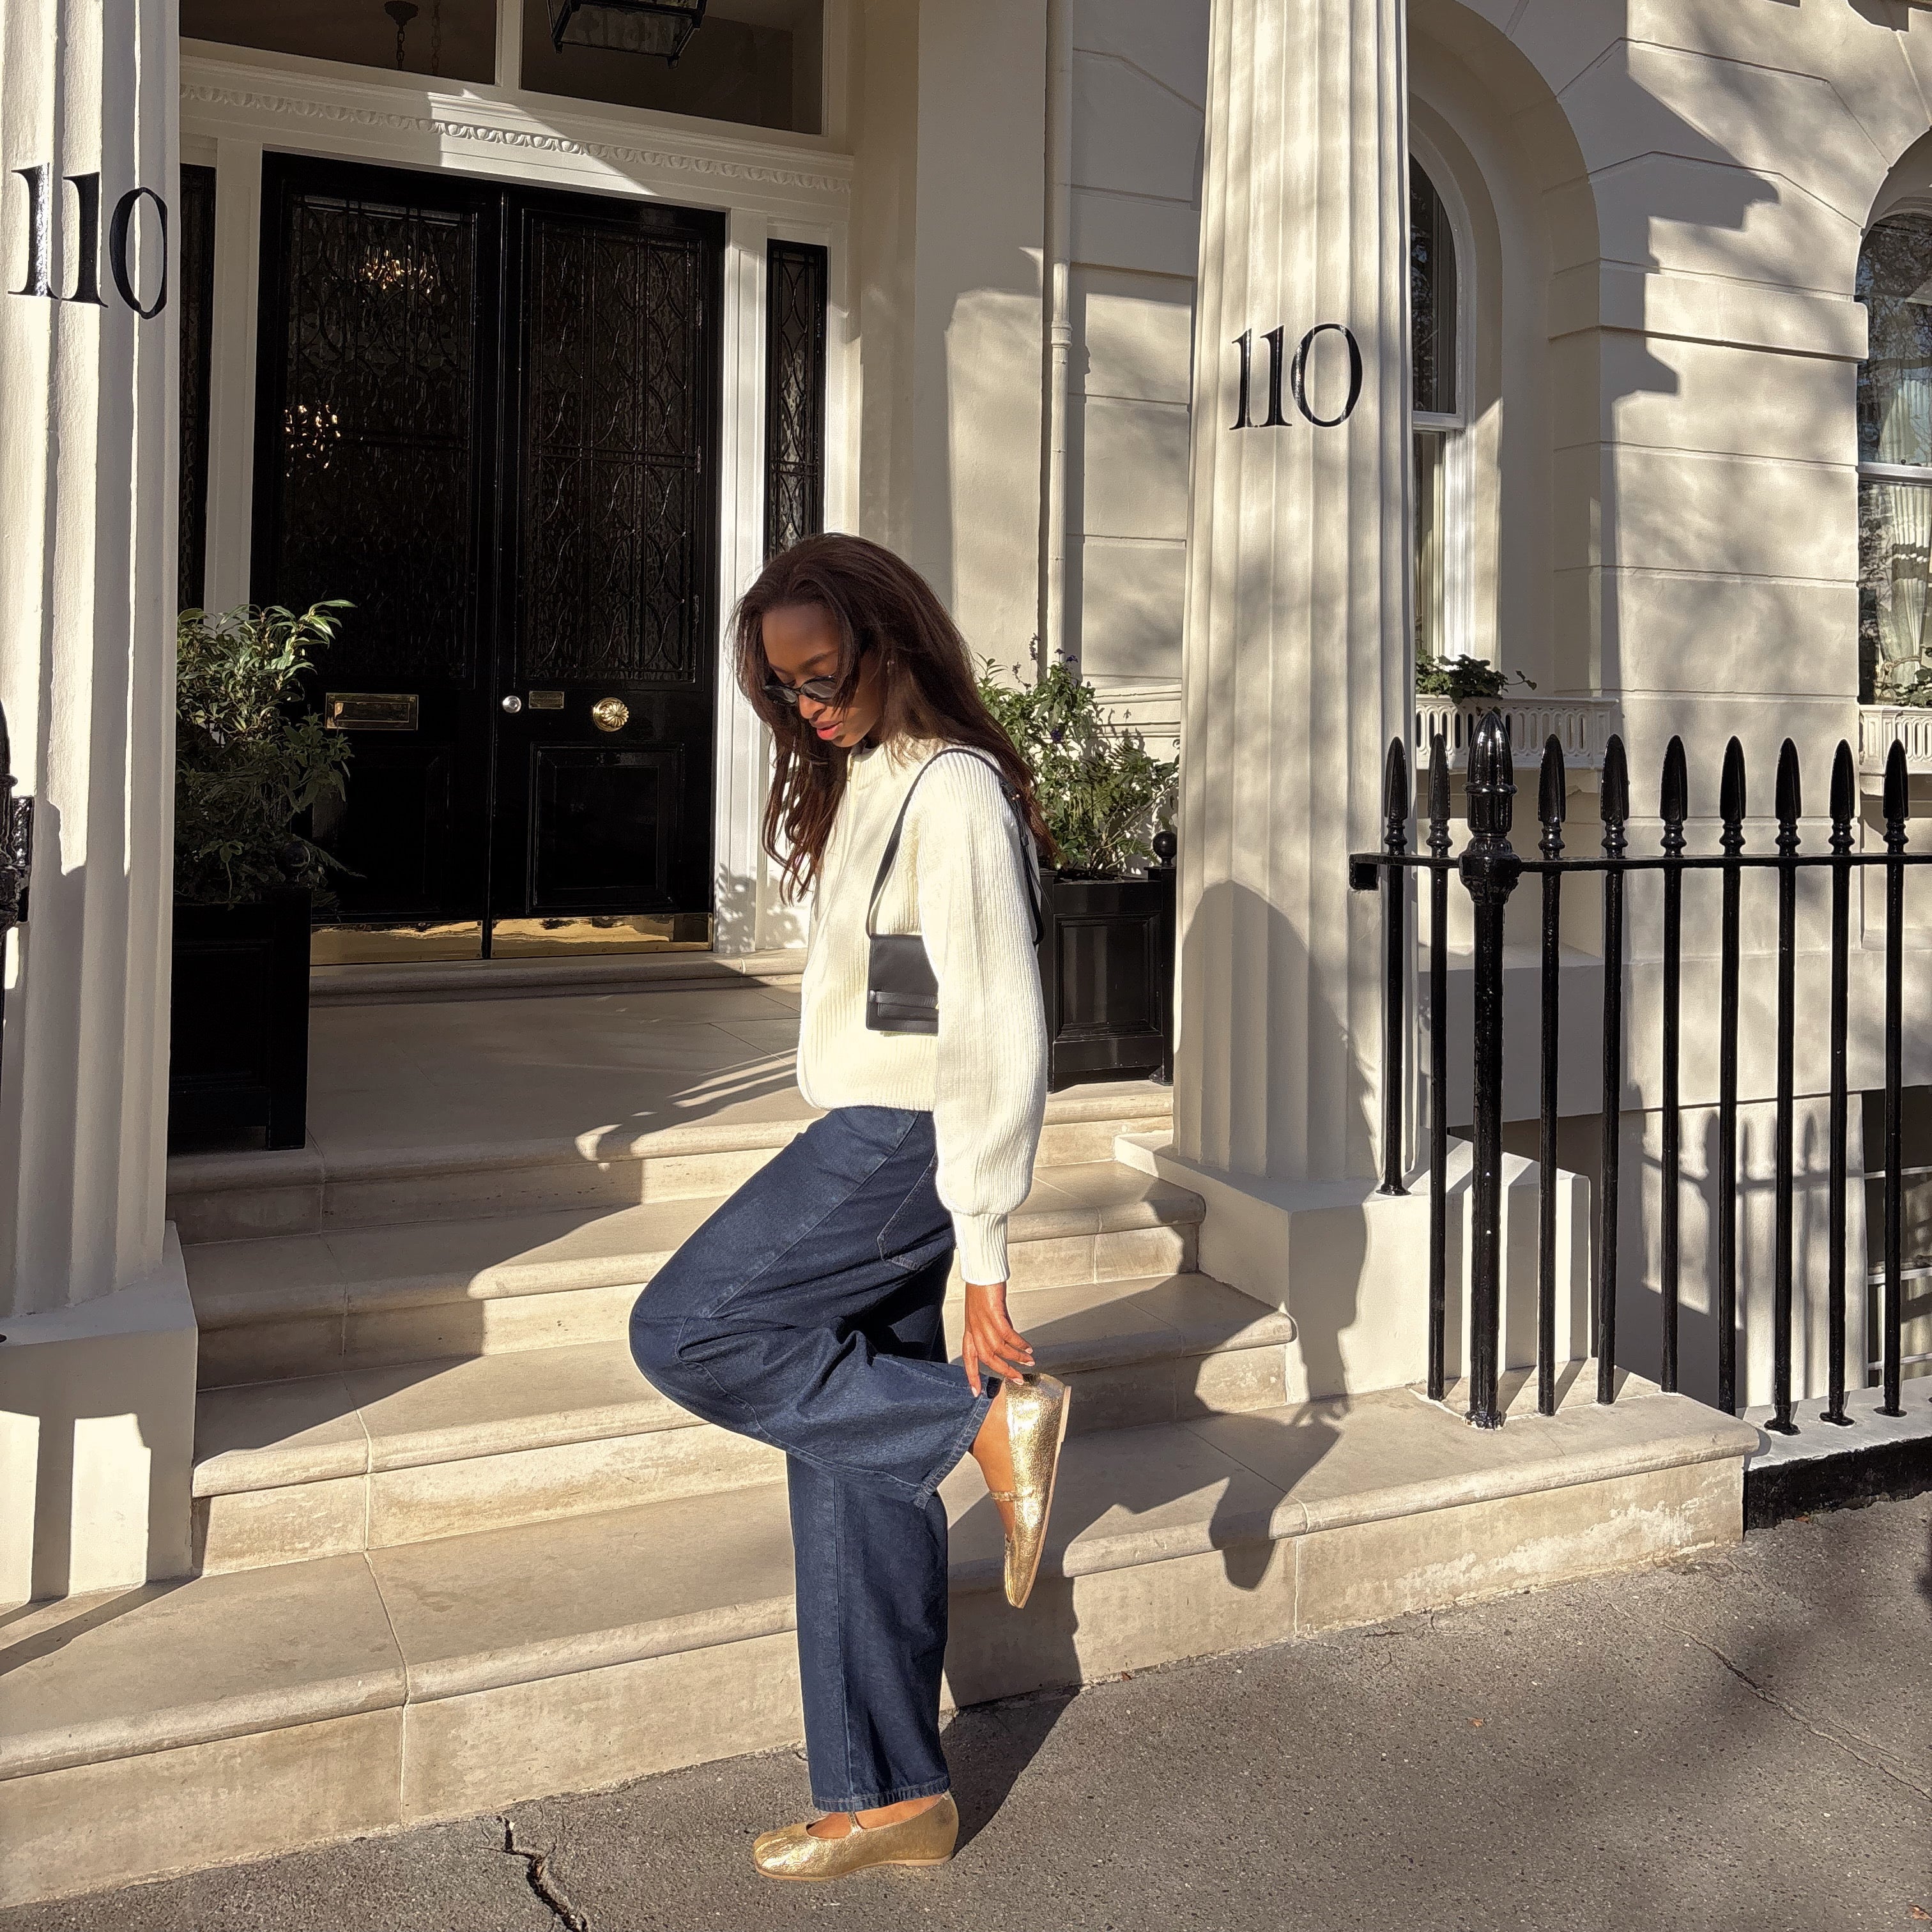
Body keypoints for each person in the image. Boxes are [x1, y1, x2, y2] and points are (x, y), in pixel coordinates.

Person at [629, 532, 1068, 1882]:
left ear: (893, 639)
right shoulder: (869, 777)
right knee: (842, 1451)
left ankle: (980, 1422)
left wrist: (981, 1254)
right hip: (873, 1122)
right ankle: (890, 1796)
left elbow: (997, 1031)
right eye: (787, 690)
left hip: (905, 1141)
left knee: (687, 1329)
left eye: (826, 675)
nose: (811, 705)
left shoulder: (954, 797)